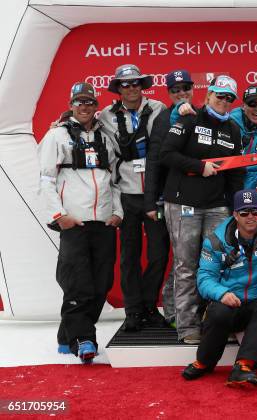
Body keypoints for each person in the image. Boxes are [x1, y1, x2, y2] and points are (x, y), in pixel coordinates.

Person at [39, 82, 123, 363]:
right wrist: (58, 215)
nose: (84, 106)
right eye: (79, 102)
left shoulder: (106, 137)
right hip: (74, 222)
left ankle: (67, 336)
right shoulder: (57, 135)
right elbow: (45, 179)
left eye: (89, 102)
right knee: (77, 283)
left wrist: (118, 213)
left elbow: (115, 181)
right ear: (71, 104)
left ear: (96, 105)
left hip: (104, 222)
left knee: (102, 283)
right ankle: (84, 339)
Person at [160, 75, 245, 344]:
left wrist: (235, 208)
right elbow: (166, 154)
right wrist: (199, 166)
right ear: (208, 95)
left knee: (219, 265)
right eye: (219, 95)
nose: (223, 101)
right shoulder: (189, 118)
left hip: (218, 207)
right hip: (183, 203)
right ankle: (187, 327)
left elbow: (236, 173)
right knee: (186, 265)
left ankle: (216, 323)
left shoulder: (233, 129)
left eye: (229, 98)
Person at [182, 190, 257, 388]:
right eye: (244, 213)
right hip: (230, 301)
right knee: (218, 311)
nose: (250, 217)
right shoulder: (216, 240)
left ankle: (243, 367)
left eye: (255, 211)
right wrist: (222, 293)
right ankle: (204, 362)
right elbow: (204, 278)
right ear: (235, 214)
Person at [98, 64, 167, 332]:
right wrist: (64, 119)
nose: (131, 89)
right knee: (129, 255)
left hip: (155, 195)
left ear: (142, 85)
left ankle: (150, 306)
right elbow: (84, 122)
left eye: (135, 83)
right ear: (118, 89)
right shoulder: (106, 115)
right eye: (125, 85)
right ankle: (133, 311)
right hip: (126, 194)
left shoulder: (159, 108)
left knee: (159, 253)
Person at [144, 69, 194, 327]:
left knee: (195, 258)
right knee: (180, 257)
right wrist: (151, 201)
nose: (181, 93)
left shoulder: (202, 114)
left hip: (199, 197)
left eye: (185, 88)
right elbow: (153, 162)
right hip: (172, 198)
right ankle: (173, 312)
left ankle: (192, 311)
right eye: (175, 90)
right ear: (168, 93)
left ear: (193, 88)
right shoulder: (163, 120)